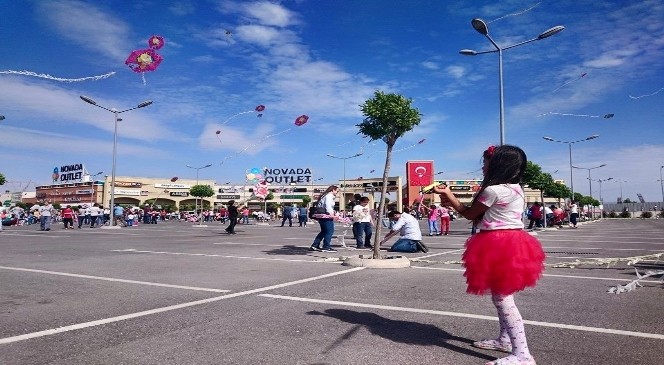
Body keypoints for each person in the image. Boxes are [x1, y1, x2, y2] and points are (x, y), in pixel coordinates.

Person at [433, 145, 544, 365]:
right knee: (500, 296)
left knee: (503, 299)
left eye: (485, 162)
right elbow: (480, 216)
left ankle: (522, 355)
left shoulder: (493, 191)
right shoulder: (516, 188)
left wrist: (448, 195)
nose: (483, 166)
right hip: (514, 242)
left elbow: (468, 214)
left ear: (498, 165)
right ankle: (505, 340)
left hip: (497, 243)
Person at [310, 185, 339, 253]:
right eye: (337, 191)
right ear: (332, 190)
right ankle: (326, 246)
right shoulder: (329, 196)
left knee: (324, 231)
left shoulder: (324, 195)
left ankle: (315, 245)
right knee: (329, 231)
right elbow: (328, 205)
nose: (337, 192)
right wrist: (331, 215)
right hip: (326, 216)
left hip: (322, 215)